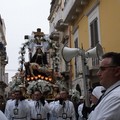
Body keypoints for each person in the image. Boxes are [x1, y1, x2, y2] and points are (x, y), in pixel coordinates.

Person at [88, 52, 120, 120]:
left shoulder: (116, 97)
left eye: (103, 69)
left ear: (117, 71)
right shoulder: (111, 93)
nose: (98, 73)